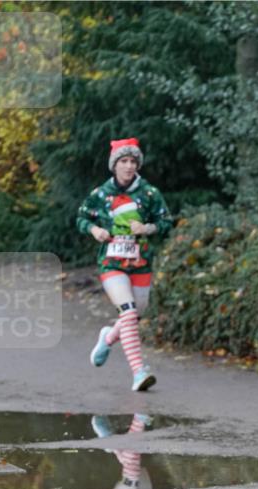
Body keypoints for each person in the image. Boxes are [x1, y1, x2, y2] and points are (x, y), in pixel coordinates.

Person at [76, 138, 172, 391]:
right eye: (124, 161)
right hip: (111, 263)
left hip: (141, 263)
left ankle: (108, 338)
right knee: (128, 312)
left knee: (134, 315)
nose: (129, 166)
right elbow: (82, 217)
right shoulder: (101, 194)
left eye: (133, 161)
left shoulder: (149, 194)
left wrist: (147, 228)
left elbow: (166, 223)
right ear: (114, 165)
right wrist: (95, 230)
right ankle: (139, 372)